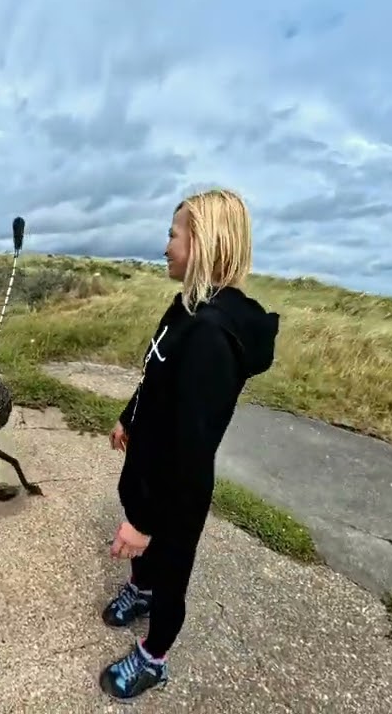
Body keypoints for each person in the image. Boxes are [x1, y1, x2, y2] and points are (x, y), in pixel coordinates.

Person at [97, 188, 280, 701]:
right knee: (145, 559)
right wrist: (128, 417)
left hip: (175, 492)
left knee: (170, 568)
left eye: (173, 234)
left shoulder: (211, 337)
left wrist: (145, 522)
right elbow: (154, 379)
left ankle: (153, 658)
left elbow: (191, 450)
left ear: (202, 241)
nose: (165, 246)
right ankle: (142, 588)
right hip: (150, 473)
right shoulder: (183, 311)